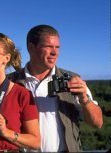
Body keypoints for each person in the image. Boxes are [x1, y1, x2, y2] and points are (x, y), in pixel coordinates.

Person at [8, 24, 103, 152]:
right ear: (31, 47)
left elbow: (97, 123)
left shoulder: (72, 79)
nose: (55, 52)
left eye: (57, 47)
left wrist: (84, 98)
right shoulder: (10, 83)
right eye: (48, 46)